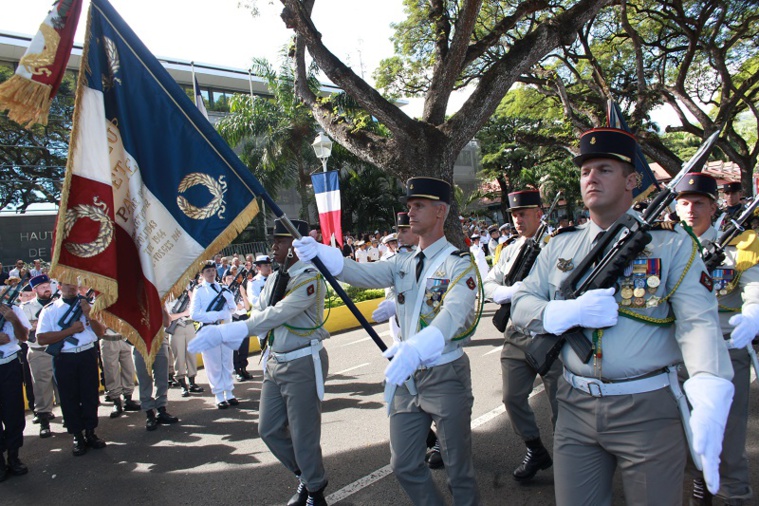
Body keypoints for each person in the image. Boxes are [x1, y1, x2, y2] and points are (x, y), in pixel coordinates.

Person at [510, 127, 735, 505]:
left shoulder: (672, 244)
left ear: (633, 180)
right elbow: (522, 303)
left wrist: (709, 383)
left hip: (646, 407)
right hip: (575, 404)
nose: (591, 177)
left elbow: (698, 322)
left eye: (604, 169)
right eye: (585, 171)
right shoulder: (560, 246)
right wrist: (561, 312)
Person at [294, 177, 481, 505]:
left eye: (418, 206)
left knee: (458, 472)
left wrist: (417, 347)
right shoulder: (403, 262)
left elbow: (452, 315)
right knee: (405, 465)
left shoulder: (458, 264)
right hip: (408, 379)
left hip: (444, 375)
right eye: (409, 206)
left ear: (441, 211)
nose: (410, 212)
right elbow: (360, 274)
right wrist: (322, 253)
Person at [189, 219, 330, 506]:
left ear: (295, 246)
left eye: (280, 241)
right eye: (274, 240)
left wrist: (229, 330)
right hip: (275, 362)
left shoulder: (309, 278)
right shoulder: (277, 277)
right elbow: (260, 310)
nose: (274, 246)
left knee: (304, 434)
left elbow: (276, 314)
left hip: (303, 360)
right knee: (268, 429)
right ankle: (307, 476)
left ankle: (314, 491)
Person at [675, 173, 755, 505]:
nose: (691, 210)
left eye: (699, 203)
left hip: (724, 348)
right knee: (685, 428)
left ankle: (736, 492)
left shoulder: (739, 245)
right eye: (684, 203)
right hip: (676, 352)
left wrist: (753, 314)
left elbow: (754, 287)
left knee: (730, 434)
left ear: (713, 206)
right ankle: (701, 483)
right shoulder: (662, 247)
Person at [483, 189, 561, 483]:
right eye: (514, 214)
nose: (518, 219)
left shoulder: (557, 247)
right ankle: (535, 448)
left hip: (550, 336)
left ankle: (569, 456)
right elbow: (490, 281)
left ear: (540, 213)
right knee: (512, 398)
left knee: (560, 405)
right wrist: (505, 292)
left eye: (523, 213)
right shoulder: (509, 249)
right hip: (516, 334)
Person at [37, 283, 107, 457]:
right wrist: (70, 331)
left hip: (86, 354)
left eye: (74, 284)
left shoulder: (88, 306)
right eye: (67, 284)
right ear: (59, 286)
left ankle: (90, 431)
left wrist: (89, 315)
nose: (71, 287)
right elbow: (42, 338)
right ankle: (77, 436)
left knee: (90, 395)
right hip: (64, 357)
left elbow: (101, 332)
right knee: (69, 397)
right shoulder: (50, 309)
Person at [190, 261, 237, 409]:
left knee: (227, 362)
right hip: (209, 330)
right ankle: (218, 394)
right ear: (202, 274)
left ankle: (229, 392)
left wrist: (230, 302)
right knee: (213, 364)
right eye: (208, 271)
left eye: (212, 270)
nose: (211, 273)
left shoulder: (222, 288)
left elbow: (233, 309)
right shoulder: (199, 290)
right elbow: (194, 314)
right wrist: (216, 315)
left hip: (225, 329)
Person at [0, 280, 32, 480]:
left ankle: (14, 457)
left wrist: (13, 320)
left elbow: (24, 336)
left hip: (10, 365)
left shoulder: (12, 309)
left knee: (13, 413)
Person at [20, 275, 58, 438]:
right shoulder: (26, 307)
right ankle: (44, 420)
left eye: (47, 285)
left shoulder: (57, 304)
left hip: (58, 349)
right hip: (39, 351)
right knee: (41, 388)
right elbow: (24, 332)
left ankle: (71, 420)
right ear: (35, 290)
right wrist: (35, 325)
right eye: (42, 287)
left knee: (63, 385)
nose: (47, 289)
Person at [133, 310, 179, 431]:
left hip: (159, 340)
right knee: (144, 379)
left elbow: (167, 322)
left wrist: (162, 307)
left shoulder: (158, 300)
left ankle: (161, 409)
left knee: (162, 377)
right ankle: (149, 413)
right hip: (141, 342)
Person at [164, 282, 203, 397]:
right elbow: (169, 316)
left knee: (191, 356)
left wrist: (191, 296)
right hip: (176, 328)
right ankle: (183, 385)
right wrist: (184, 313)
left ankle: (192, 383)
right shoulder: (169, 298)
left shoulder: (189, 295)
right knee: (179, 358)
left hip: (189, 326)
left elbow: (195, 309)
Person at [100, 328, 140, 418]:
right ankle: (116, 402)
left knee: (128, 370)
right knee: (111, 373)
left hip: (123, 338)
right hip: (108, 338)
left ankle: (128, 399)